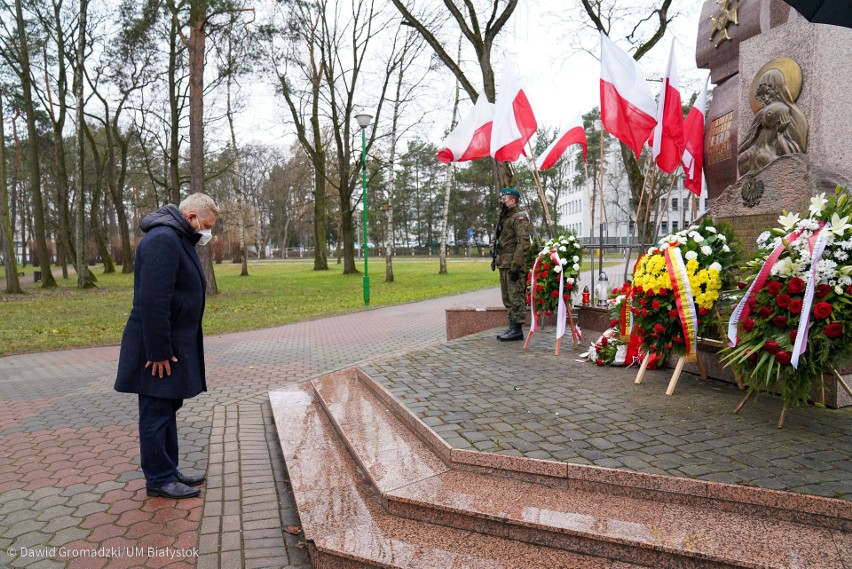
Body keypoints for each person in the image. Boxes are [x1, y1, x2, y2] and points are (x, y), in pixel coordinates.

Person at [115, 193, 219, 499]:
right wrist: (158, 351)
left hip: (171, 344)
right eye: (206, 225)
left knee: (167, 406)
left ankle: (169, 469)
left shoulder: (175, 237)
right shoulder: (163, 239)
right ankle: (158, 478)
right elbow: (153, 301)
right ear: (191, 218)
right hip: (157, 349)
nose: (206, 232)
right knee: (156, 411)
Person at [737, 67, 808, 176]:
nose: (765, 98)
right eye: (761, 95)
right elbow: (746, 142)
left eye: (768, 92)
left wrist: (780, 135)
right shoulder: (760, 114)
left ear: (778, 90)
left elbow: (795, 156)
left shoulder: (790, 115)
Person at [493, 187, 531, 341]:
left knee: (516, 297)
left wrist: (516, 266)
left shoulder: (519, 217)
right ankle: (512, 327)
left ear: (513, 200)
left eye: (504, 198)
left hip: (513, 264)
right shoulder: (504, 217)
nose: (502, 201)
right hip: (504, 263)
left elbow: (523, 243)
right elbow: (498, 238)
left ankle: (517, 330)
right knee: (507, 298)